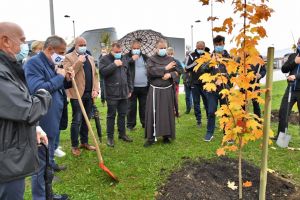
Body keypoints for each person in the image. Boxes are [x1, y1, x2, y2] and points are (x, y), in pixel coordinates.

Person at [0, 22, 51, 200]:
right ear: (5, 41)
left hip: (10, 150)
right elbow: (28, 109)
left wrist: (35, 127)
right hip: (6, 158)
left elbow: (13, 105)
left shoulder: (8, 67)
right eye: (21, 40)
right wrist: (45, 94)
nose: (24, 45)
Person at [24, 35, 72, 200]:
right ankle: (40, 197)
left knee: (48, 160)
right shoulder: (33, 64)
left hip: (53, 116)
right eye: (61, 52)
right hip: (42, 119)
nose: (63, 56)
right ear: (50, 49)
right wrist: (59, 76)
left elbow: (57, 86)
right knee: (41, 163)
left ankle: (48, 194)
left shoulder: (53, 63)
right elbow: (39, 89)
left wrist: (66, 79)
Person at [63, 37, 99, 156]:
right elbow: (68, 74)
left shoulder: (90, 57)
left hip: (89, 93)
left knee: (86, 119)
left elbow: (95, 75)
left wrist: (95, 89)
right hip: (77, 94)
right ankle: (74, 145)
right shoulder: (69, 57)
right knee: (77, 120)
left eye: (85, 44)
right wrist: (79, 62)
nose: (83, 46)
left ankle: (84, 142)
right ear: (76, 45)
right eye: (81, 44)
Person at [144, 39, 179, 147]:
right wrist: (165, 68)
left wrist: (170, 75)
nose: (163, 50)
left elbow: (179, 71)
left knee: (166, 113)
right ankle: (151, 137)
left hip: (167, 89)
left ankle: (166, 136)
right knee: (153, 113)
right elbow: (150, 71)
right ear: (156, 48)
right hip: (155, 90)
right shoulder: (151, 59)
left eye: (164, 48)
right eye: (161, 48)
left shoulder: (171, 59)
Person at [99, 42, 133, 147]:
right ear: (111, 51)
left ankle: (122, 134)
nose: (118, 53)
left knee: (123, 114)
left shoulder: (124, 59)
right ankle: (110, 137)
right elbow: (102, 72)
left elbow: (128, 75)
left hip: (124, 92)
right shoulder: (104, 59)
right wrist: (114, 65)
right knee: (111, 116)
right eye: (116, 52)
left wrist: (130, 88)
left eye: (120, 52)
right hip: (112, 93)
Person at [201, 35, 230, 142]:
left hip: (225, 89)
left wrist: (224, 77)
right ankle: (209, 133)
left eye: (220, 44)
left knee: (225, 111)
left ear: (224, 44)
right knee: (211, 111)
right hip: (212, 90)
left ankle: (227, 133)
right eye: (216, 45)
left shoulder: (228, 57)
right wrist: (211, 61)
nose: (218, 46)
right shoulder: (210, 56)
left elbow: (233, 72)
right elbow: (203, 70)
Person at [275, 38, 300, 140]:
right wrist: (294, 61)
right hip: (290, 89)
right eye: (299, 43)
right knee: (283, 112)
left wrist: (296, 77)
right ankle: (281, 137)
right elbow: (284, 69)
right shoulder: (293, 56)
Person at [123, 40, 149, 130]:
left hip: (144, 86)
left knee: (144, 107)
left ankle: (145, 123)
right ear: (131, 48)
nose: (136, 50)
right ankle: (130, 125)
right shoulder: (126, 57)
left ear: (140, 48)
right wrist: (131, 60)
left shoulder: (145, 57)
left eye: (138, 48)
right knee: (131, 107)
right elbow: (122, 66)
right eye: (134, 48)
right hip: (132, 87)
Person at [186, 41, 209, 127]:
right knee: (196, 102)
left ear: (204, 47)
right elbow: (186, 67)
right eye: (198, 48)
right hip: (194, 83)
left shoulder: (207, 55)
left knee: (207, 102)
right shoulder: (191, 55)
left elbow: (211, 67)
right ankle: (198, 121)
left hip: (205, 83)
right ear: (196, 47)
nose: (200, 50)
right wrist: (195, 63)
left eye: (201, 48)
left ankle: (209, 119)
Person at [166, 47, 184, 116]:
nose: (170, 55)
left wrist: (175, 69)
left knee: (175, 98)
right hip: (167, 83)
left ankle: (176, 111)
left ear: (173, 54)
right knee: (167, 98)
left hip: (175, 82)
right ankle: (168, 111)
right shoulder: (164, 62)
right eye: (168, 54)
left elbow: (181, 70)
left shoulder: (176, 61)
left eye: (171, 54)